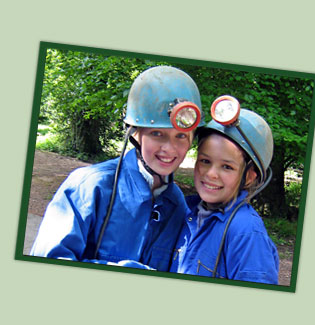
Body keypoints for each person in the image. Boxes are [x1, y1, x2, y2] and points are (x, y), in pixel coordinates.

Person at [30, 65, 205, 272]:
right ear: (135, 133)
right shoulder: (90, 186)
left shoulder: (176, 203)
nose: (169, 148)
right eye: (157, 134)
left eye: (181, 136)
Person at [170, 95, 279, 284]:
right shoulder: (185, 211)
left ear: (249, 176)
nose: (211, 174)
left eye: (227, 167)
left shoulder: (246, 232)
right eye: (205, 161)